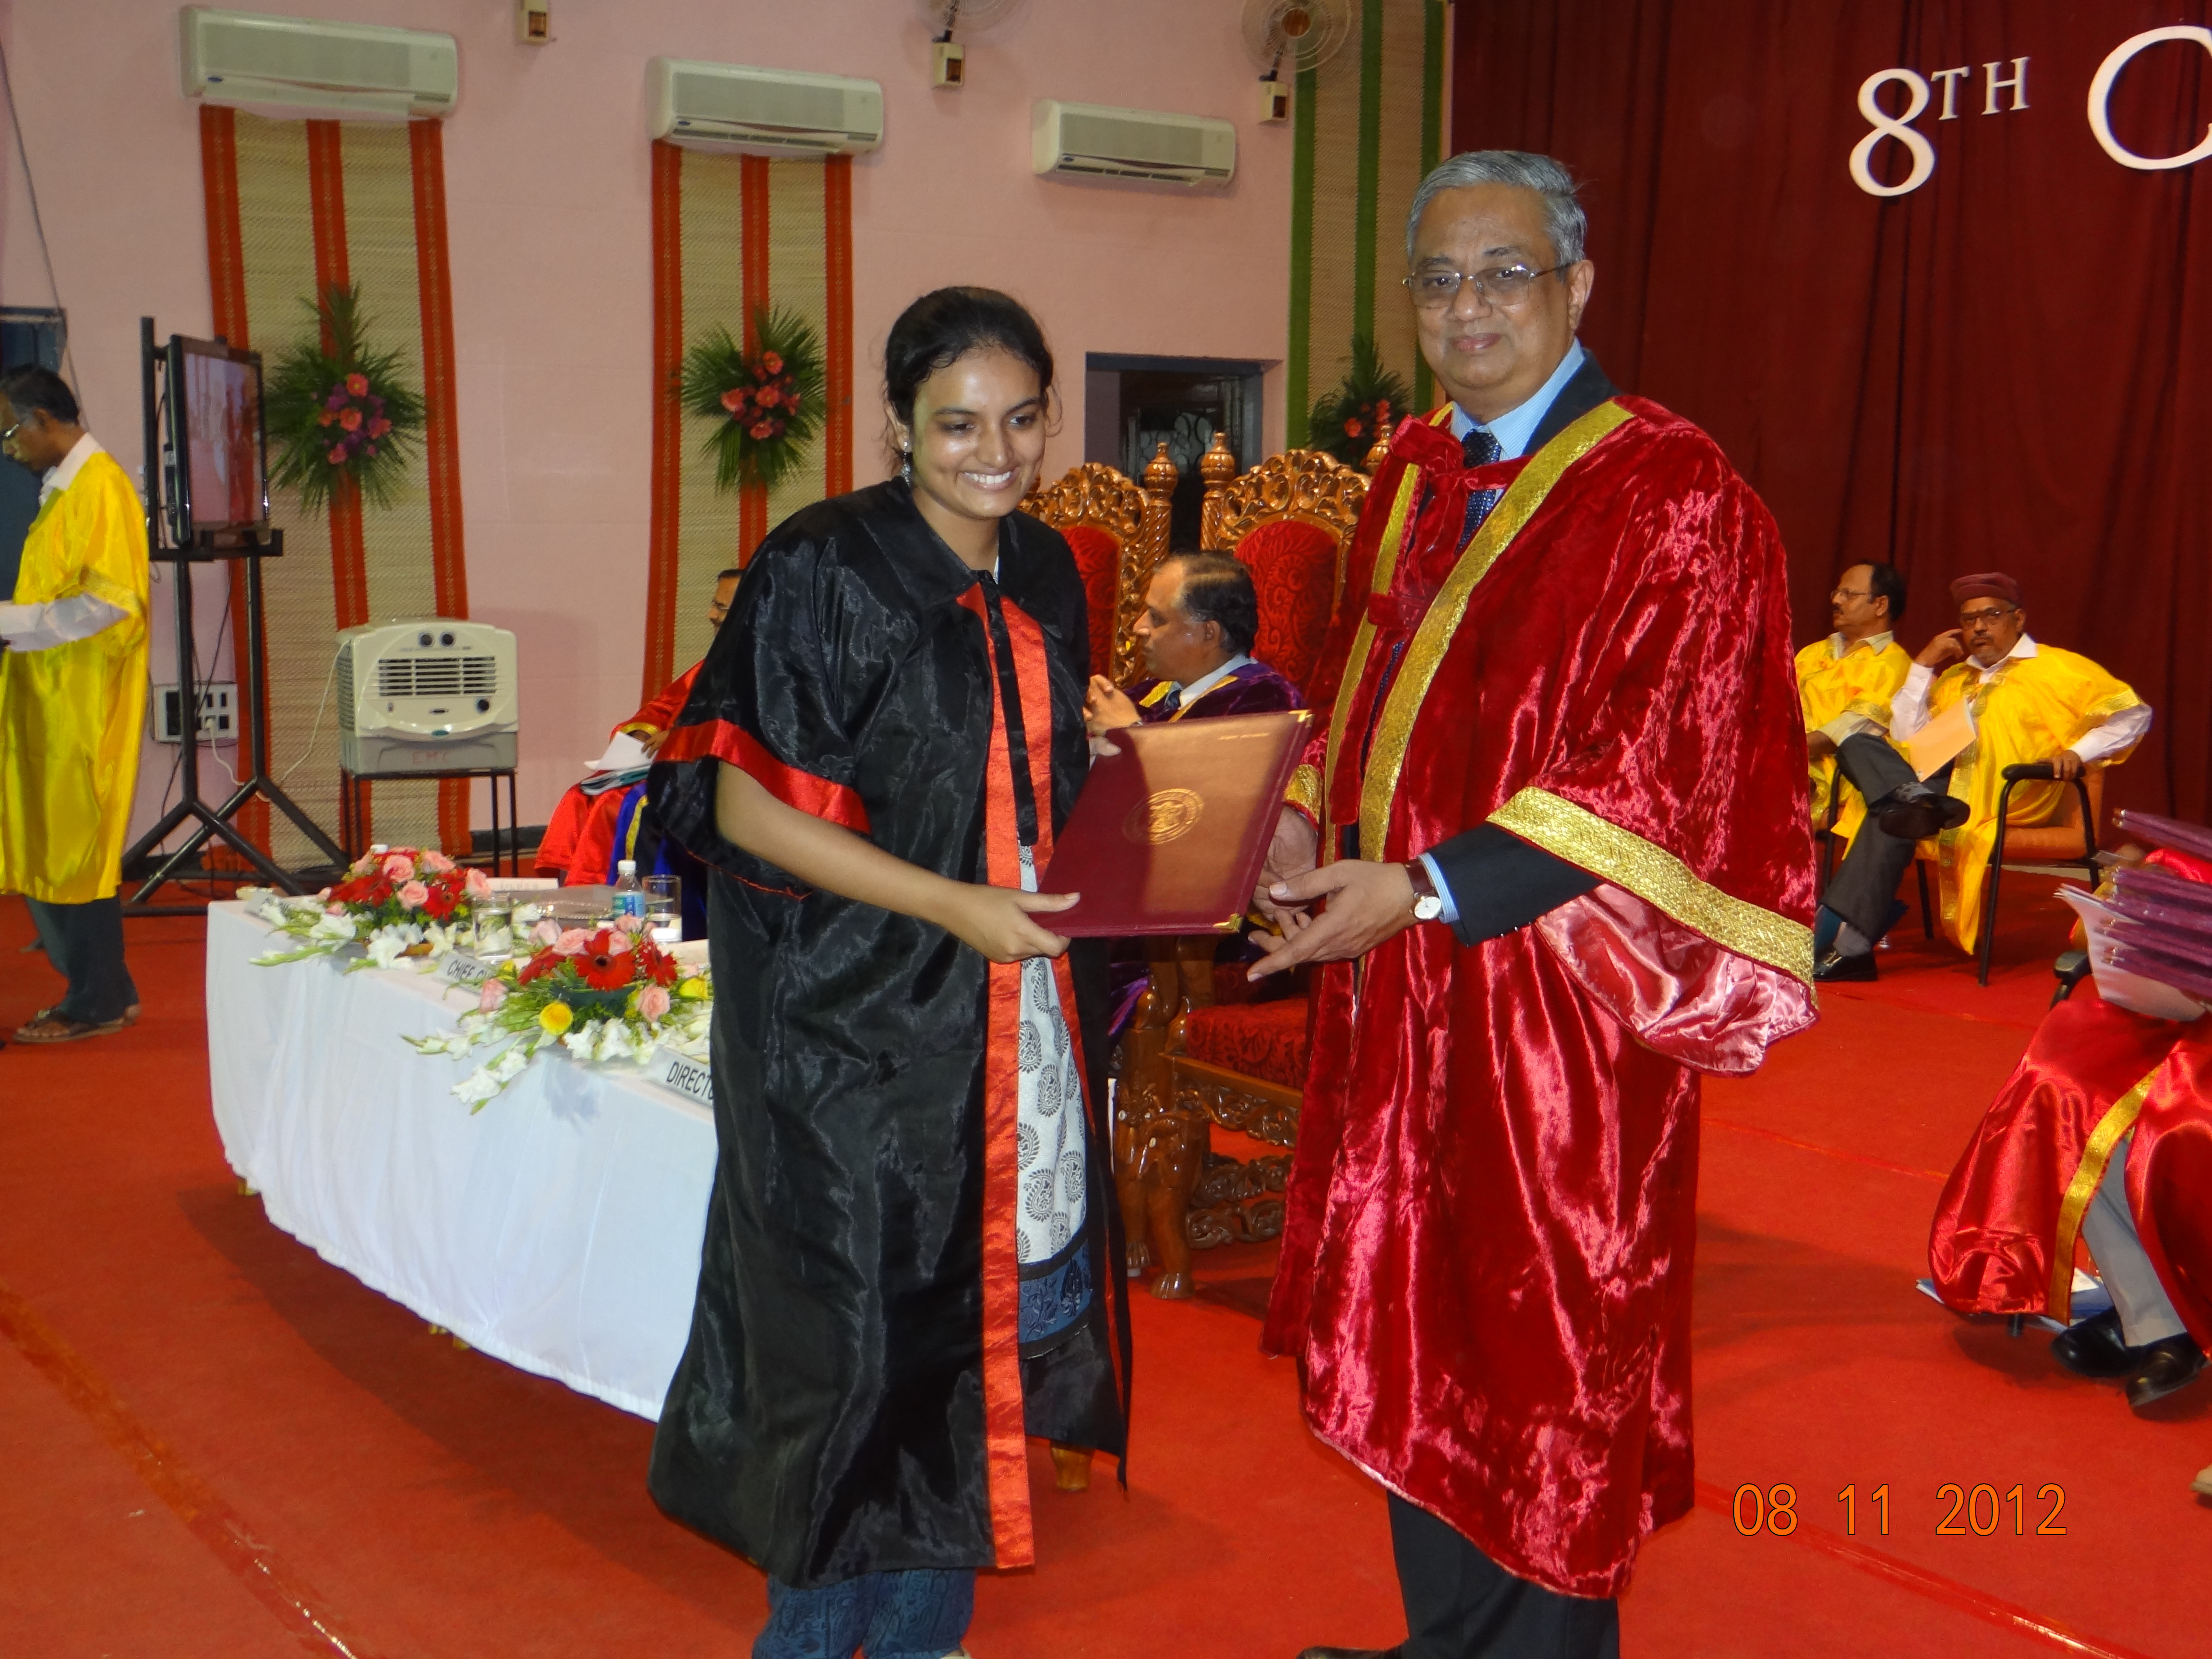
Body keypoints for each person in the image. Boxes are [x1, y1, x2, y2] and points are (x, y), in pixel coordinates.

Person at [1249, 151, 1815, 1658]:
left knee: (1546, 1338)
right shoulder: (1417, 469)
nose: (1469, 307)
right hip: (1397, 981)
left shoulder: (1672, 490)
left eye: (1506, 273)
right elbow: (1366, 681)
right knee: (1414, 1320)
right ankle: (1450, 1642)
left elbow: (1667, 756)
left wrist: (1431, 885)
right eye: (1439, 280)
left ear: (1578, 285)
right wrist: (1299, 810)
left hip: (1555, 1004)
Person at [644, 287, 1127, 1659]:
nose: (996, 453)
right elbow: (745, 803)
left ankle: (922, 1642)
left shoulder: (1046, 568)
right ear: (900, 426)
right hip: (847, 1022)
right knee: (849, 1358)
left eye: (1022, 419)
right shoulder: (826, 564)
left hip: (1005, 1014)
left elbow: (1033, 778)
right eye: (958, 423)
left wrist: (1148, 794)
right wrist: (951, 905)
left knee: (963, 1355)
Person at [1928, 868, 2212, 1411]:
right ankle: (2154, 1310)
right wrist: (2123, 909)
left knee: (2175, 1123)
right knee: (2064, 1091)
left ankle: (2169, 1307)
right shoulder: (2171, 850)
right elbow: (2084, 936)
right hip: (2172, 1025)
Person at [1813, 572, 2149, 981]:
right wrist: (1922, 667)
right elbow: (1908, 737)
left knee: (1890, 813)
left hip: (2011, 791)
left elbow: (2134, 714)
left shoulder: (2059, 668)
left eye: (1991, 616)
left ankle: (1845, 940)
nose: (1979, 628)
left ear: (2018, 619)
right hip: (1946, 789)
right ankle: (1912, 800)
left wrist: (2078, 753)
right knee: (1855, 743)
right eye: (1969, 619)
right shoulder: (1956, 677)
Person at [0, 366, 150, 1044]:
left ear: (43, 419)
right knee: (57, 844)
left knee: (76, 851)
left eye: (11, 431)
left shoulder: (100, 486)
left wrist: (11, 621)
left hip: (83, 702)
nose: (10, 447)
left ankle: (95, 1002)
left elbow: (111, 602)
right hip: (53, 696)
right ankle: (107, 990)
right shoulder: (66, 485)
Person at [534, 567, 739, 881]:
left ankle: (623, 898)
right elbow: (666, 705)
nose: (711, 615)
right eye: (714, 604)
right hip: (672, 762)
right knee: (581, 795)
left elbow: (747, 732)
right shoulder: (714, 663)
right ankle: (577, 891)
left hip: (717, 775)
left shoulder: (769, 669)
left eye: (722, 608)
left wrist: (684, 737)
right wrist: (643, 730)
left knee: (619, 803)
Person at [1082, 551, 1302, 733]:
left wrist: (1128, 733)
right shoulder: (1157, 690)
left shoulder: (1264, 702)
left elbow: (1209, 773)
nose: (1138, 627)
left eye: (1157, 618)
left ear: (1209, 633)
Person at [1797, 562, 1911, 853]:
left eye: (1849, 594)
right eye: (1837, 593)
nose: (1837, 600)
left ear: (1880, 605)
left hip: (1836, 776)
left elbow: (1848, 733)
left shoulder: (1892, 663)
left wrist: (1781, 755)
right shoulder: (1811, 653)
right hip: (1787, 762)